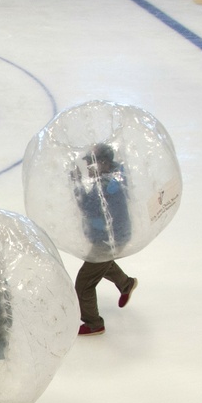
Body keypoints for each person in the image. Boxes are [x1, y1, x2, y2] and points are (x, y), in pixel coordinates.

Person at [71, 143, 139, 337]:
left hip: (110, 239)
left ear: (104, 162)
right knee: (102, 263)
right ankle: (126, 284)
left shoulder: (110, 186)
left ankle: (93, 324)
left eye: (92, 163)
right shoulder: (112, 177)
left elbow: (89, 207)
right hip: (108, 236)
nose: (90, 168)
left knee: (84, 283)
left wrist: (76, 183)